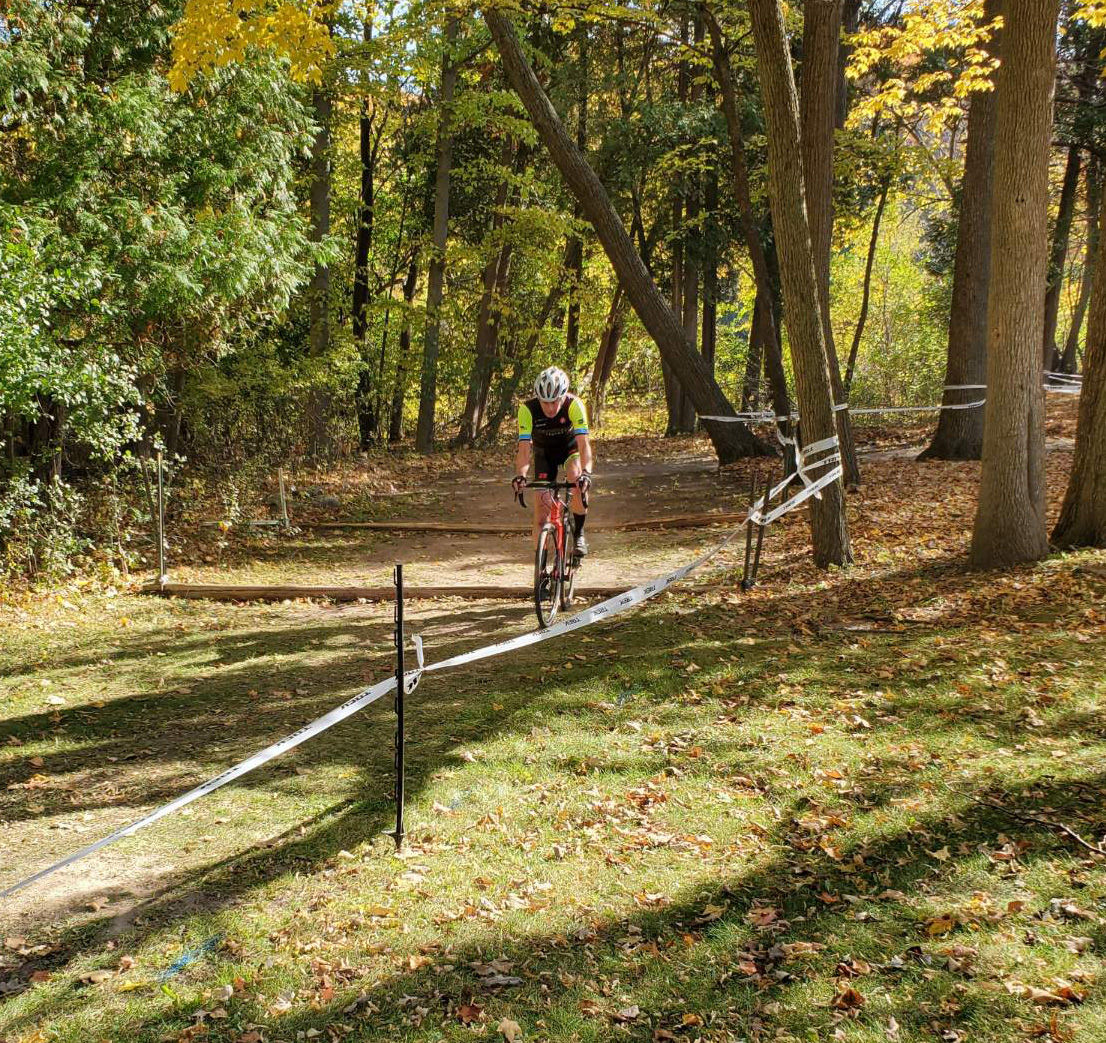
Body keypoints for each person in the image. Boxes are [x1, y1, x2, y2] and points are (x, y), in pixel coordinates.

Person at [513, 366, 594, 555]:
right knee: (541, 513)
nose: (550, 408)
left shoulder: (574, 405)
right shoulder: (527, 410)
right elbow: (524, 448)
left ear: (563, 396)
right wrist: (521, 475)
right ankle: (540, 566)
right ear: (538, 399)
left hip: (569, 449)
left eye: (555, 402)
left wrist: (587, 473)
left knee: (576, 477)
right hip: (544, 453)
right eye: (545, 402)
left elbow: (584, 444)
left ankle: (579, 533)